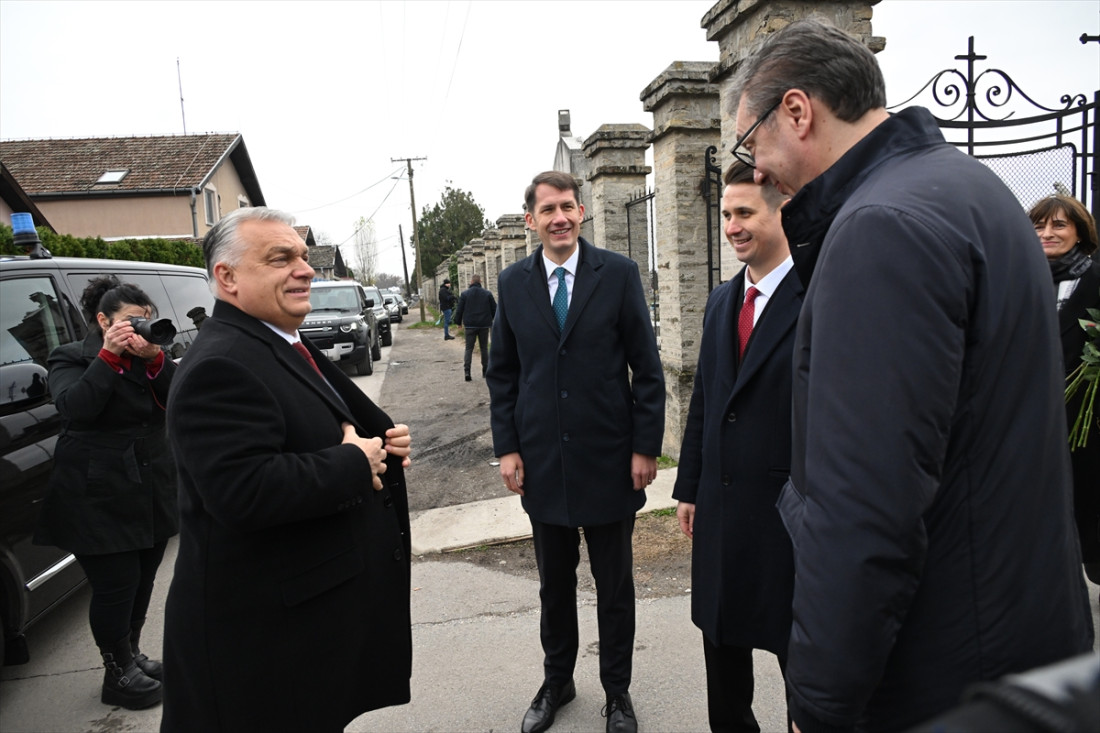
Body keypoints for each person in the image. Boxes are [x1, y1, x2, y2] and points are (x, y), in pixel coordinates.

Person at [731, 18, 1094, 733]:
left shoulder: (878, 227)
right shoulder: (971, 188)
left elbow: (866, 508)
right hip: (1027, 640)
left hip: (944, 671)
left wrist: (821, 700)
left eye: (751, 144)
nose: (756, 171)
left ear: (798, 111)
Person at [161, 207, 414, 732]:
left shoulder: (277, 340)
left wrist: (380, 444)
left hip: (302, 626)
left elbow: (317, 427)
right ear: (226, 277)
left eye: (302, 256)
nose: (306, 270)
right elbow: (242, 491)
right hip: (261, 647)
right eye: (280, 258)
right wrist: (352, 460)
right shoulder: (221, 365)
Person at [487, 171, 665, 733]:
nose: (559, 217)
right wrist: (508, 450)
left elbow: (648, 369)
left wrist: (645, 447)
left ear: (582, 212)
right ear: (530, 220)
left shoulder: (617, 274)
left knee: (614, 589)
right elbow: (503, 375)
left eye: (568, 207)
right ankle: (557, 681)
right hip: (543, 464)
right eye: (548, 209)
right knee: (553, 585)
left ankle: (618, 693)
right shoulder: (512, 284)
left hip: (611, 461)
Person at [673, 161, 801, 732]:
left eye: (744, 213)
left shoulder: (817, 295)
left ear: (782, 212)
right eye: (726, 214)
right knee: (722, 649)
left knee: (802, 656)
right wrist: (689, 487)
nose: (732, 226)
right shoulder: (722, 301)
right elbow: (706, 399)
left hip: (789, 514)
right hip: (721, 510)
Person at [34, 275, 178, 710]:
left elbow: (185, 397)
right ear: (102, 320)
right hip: (96, 490)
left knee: (144, 576)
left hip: (150, 483)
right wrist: (109, 356)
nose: (140, 329)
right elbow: (75, 409)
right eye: (131, 322)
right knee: (117, 583)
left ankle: (131, 654)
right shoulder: (69, 357)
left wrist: (156, 359)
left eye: (146, 321)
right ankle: (116, 673)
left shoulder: (148, 355)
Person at [1029, 194, 1100, 587]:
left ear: (1079, 231)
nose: (1047, 233)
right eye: (1039, 225)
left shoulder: (1095, 278)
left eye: (1058, 225)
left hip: (1082, 418)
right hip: (1029, 411)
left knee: (1085, 498)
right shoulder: (1020, 274)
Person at [452, 273, 497, 381]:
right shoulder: (487, 294)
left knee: (469, 349)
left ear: (471, 282)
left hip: (470, 325)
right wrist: (492, 320)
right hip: (484, 325)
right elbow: (495, 309)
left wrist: (458, 322)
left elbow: (459, 310)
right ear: (480, 282)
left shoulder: (464, 294)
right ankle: (485, 371)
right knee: (484, 348)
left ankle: (467, 372)